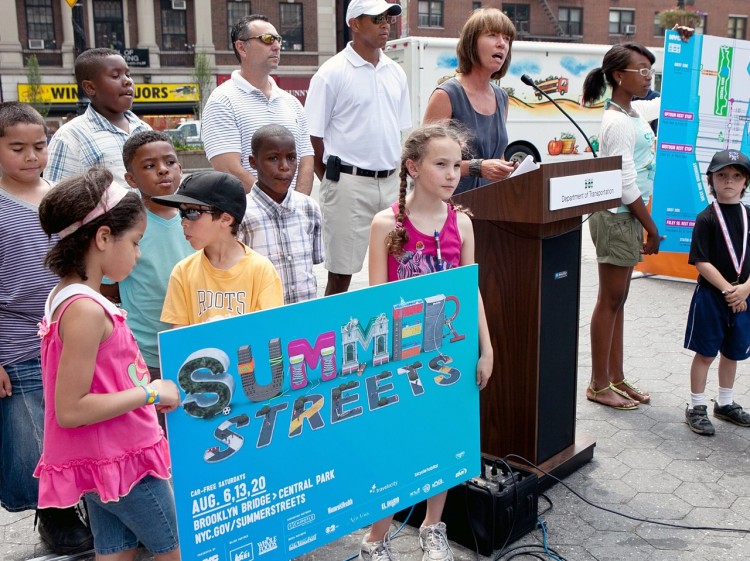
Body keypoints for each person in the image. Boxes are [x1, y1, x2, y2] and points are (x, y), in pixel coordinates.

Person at [35, 167, 181, 560]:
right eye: (135, 242)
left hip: (106, 463)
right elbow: (70, 409)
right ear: (103, 237)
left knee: (116, 552)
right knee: (178, 548)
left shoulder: (68, 295)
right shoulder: (84, 309)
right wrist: (150, 392)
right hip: (120, 460)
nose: (138, 253)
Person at [364, 123, 493, 561]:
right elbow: (376, 300)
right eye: (441, 164)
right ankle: (375, 539)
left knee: (443, 441)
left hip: (451, 353)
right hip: (401, 357)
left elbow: (470, 289)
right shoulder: (386, 224)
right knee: (395, 446)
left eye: (457, 165)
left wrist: (486, 347)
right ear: (412, 168)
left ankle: (432, 528)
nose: (453, 173)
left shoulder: (462, 223)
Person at [580, 30, 692, 410]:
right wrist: (653, 228)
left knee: (620, 299)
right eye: (641, 71)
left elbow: (675, 95)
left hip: (626, 218)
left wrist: (684, 44)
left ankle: (616, 377)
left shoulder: (634, 112)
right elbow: (625, 185)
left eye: (650, 72)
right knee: (609, 300)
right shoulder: (618, 123)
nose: (648, 78)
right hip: (617, 217)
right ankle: (598, 384)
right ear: (617, 76)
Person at [0, 102, 93, 554]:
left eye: (39, 146)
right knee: (35, 435)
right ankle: (53, 516)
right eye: (17, 148)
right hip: (16, 341)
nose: (31, 156)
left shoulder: (61, 196)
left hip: (70, 329)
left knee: (81, 425)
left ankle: (90, 503)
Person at [306, 0, 411, 295]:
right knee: (341, 274)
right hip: (348, 183)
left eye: (388, 18)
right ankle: (330, 338)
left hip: (391, 182)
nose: (385, 24)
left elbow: (399, 131)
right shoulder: (331, 73)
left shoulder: (396, 72)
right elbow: (312, 136)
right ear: (354, 22)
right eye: (376, 18)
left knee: (399, 267)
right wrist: (330, 179)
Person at [101, 131, 193, 380]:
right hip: (146, 354)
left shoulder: (200, 218)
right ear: (131, 179)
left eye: (170, 162)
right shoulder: (125, 228)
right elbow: (108, 288)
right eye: (150, 166)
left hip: (198, 345)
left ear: (180, 167)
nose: (163, 170)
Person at [201, 14, 314, 194]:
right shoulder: (222, 101)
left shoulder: (292, 103)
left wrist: (297, 205)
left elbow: (306, 160)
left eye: (278, 40)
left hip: (294, 214)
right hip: (247, 216)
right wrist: (273, 204)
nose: (277, 46)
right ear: (241, 47)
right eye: (268, 39)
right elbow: (228, 168)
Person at [155, 171, 283, 328]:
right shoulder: (182, 272)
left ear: (226, 219)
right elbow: (180, 339)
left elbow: (269, 332)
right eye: (182, 213)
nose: (184, 223)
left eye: (193, 212)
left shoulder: (261, 270)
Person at [684, 149, 750, 435]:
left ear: (745, 182)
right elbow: (701, 260)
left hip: (744, 298)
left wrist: (745, 289)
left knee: (733, 352)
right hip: (713, 297)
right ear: (711, 179)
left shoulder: (749, 216)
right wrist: (728, 290)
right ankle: (695, 406)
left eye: (737, 176)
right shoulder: (706, 218)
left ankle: (725, 403)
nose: (729, 181)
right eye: (722, 175)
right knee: (706, 353)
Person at [422, 7, 518, 194]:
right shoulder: (446, 95)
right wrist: (477, 167)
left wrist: (507, 168)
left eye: (507, 39)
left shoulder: (502, 98)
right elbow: (424, 161)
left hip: (494, 208)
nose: (502, 44)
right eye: (493, 35)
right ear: (471, 43)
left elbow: (498, 155)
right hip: (452, 208)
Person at [239, 124, 324, 304]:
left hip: (305, 315)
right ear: (253, 162)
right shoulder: (241, 214)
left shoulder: (309, 208)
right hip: (263, 320)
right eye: (273, 158)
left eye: (291, 158)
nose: (284, 167)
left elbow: (312, 265)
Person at [44, 48, 151, 187]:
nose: (127, 81)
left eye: (128, 74)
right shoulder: (69, 137)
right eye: (115, 76)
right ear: (90, 87)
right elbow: (57, 198)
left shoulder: (144, 129)